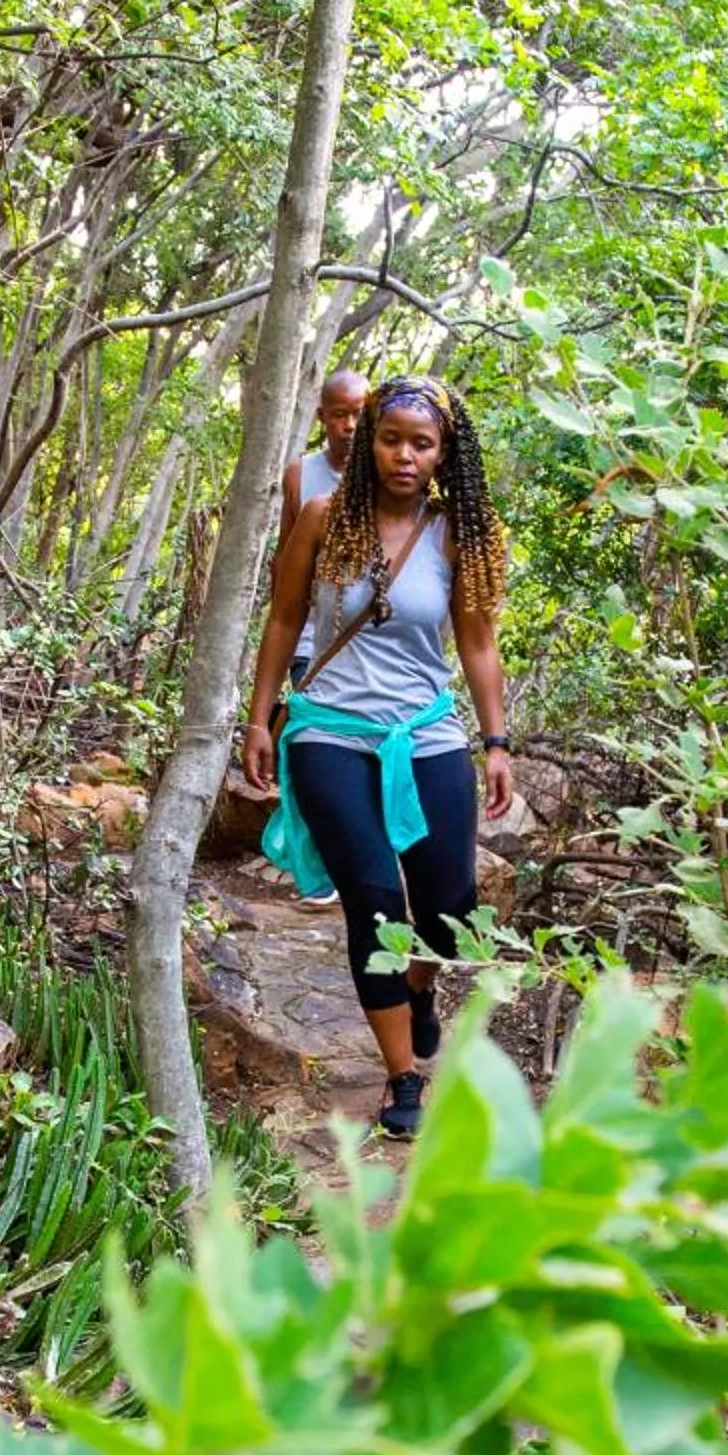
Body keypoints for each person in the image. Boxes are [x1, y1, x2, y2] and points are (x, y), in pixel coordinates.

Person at [239, 375, 514, 1139]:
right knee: (372, 898)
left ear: (443, 453)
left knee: (452, 902)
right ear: (369, 440)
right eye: (390, 438)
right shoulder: (325, 518)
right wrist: (260, 720)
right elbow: (285, 617)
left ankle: (421, 989)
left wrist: (496, 742)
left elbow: (478, 644)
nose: (403, 454)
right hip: (329, 727)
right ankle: (403, 1075)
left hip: (425, 730)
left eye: (420, 443)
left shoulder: (458, 534)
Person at [270, 370, 368, 905]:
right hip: (313, 640)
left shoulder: (390, 472)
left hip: (372, 642)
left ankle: (352, 857)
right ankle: (320, 870)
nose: (350, 425)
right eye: (340, 413)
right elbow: (284, 562)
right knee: (314, 750)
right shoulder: (301, 475)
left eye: (360, 412)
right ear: (322, 416)